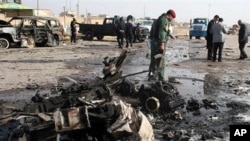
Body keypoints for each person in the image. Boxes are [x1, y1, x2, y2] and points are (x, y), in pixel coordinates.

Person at [148, 9, 176, 82]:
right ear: (169, 15)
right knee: (161, 61)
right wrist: (162, 44)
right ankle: (161, 78)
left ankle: (151, 76)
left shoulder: (158, 19)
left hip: (154, 42)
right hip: (158, 43)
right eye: (172, 18)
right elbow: (162, 32)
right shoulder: (164, 20)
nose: (172, 20)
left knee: (153, 60)